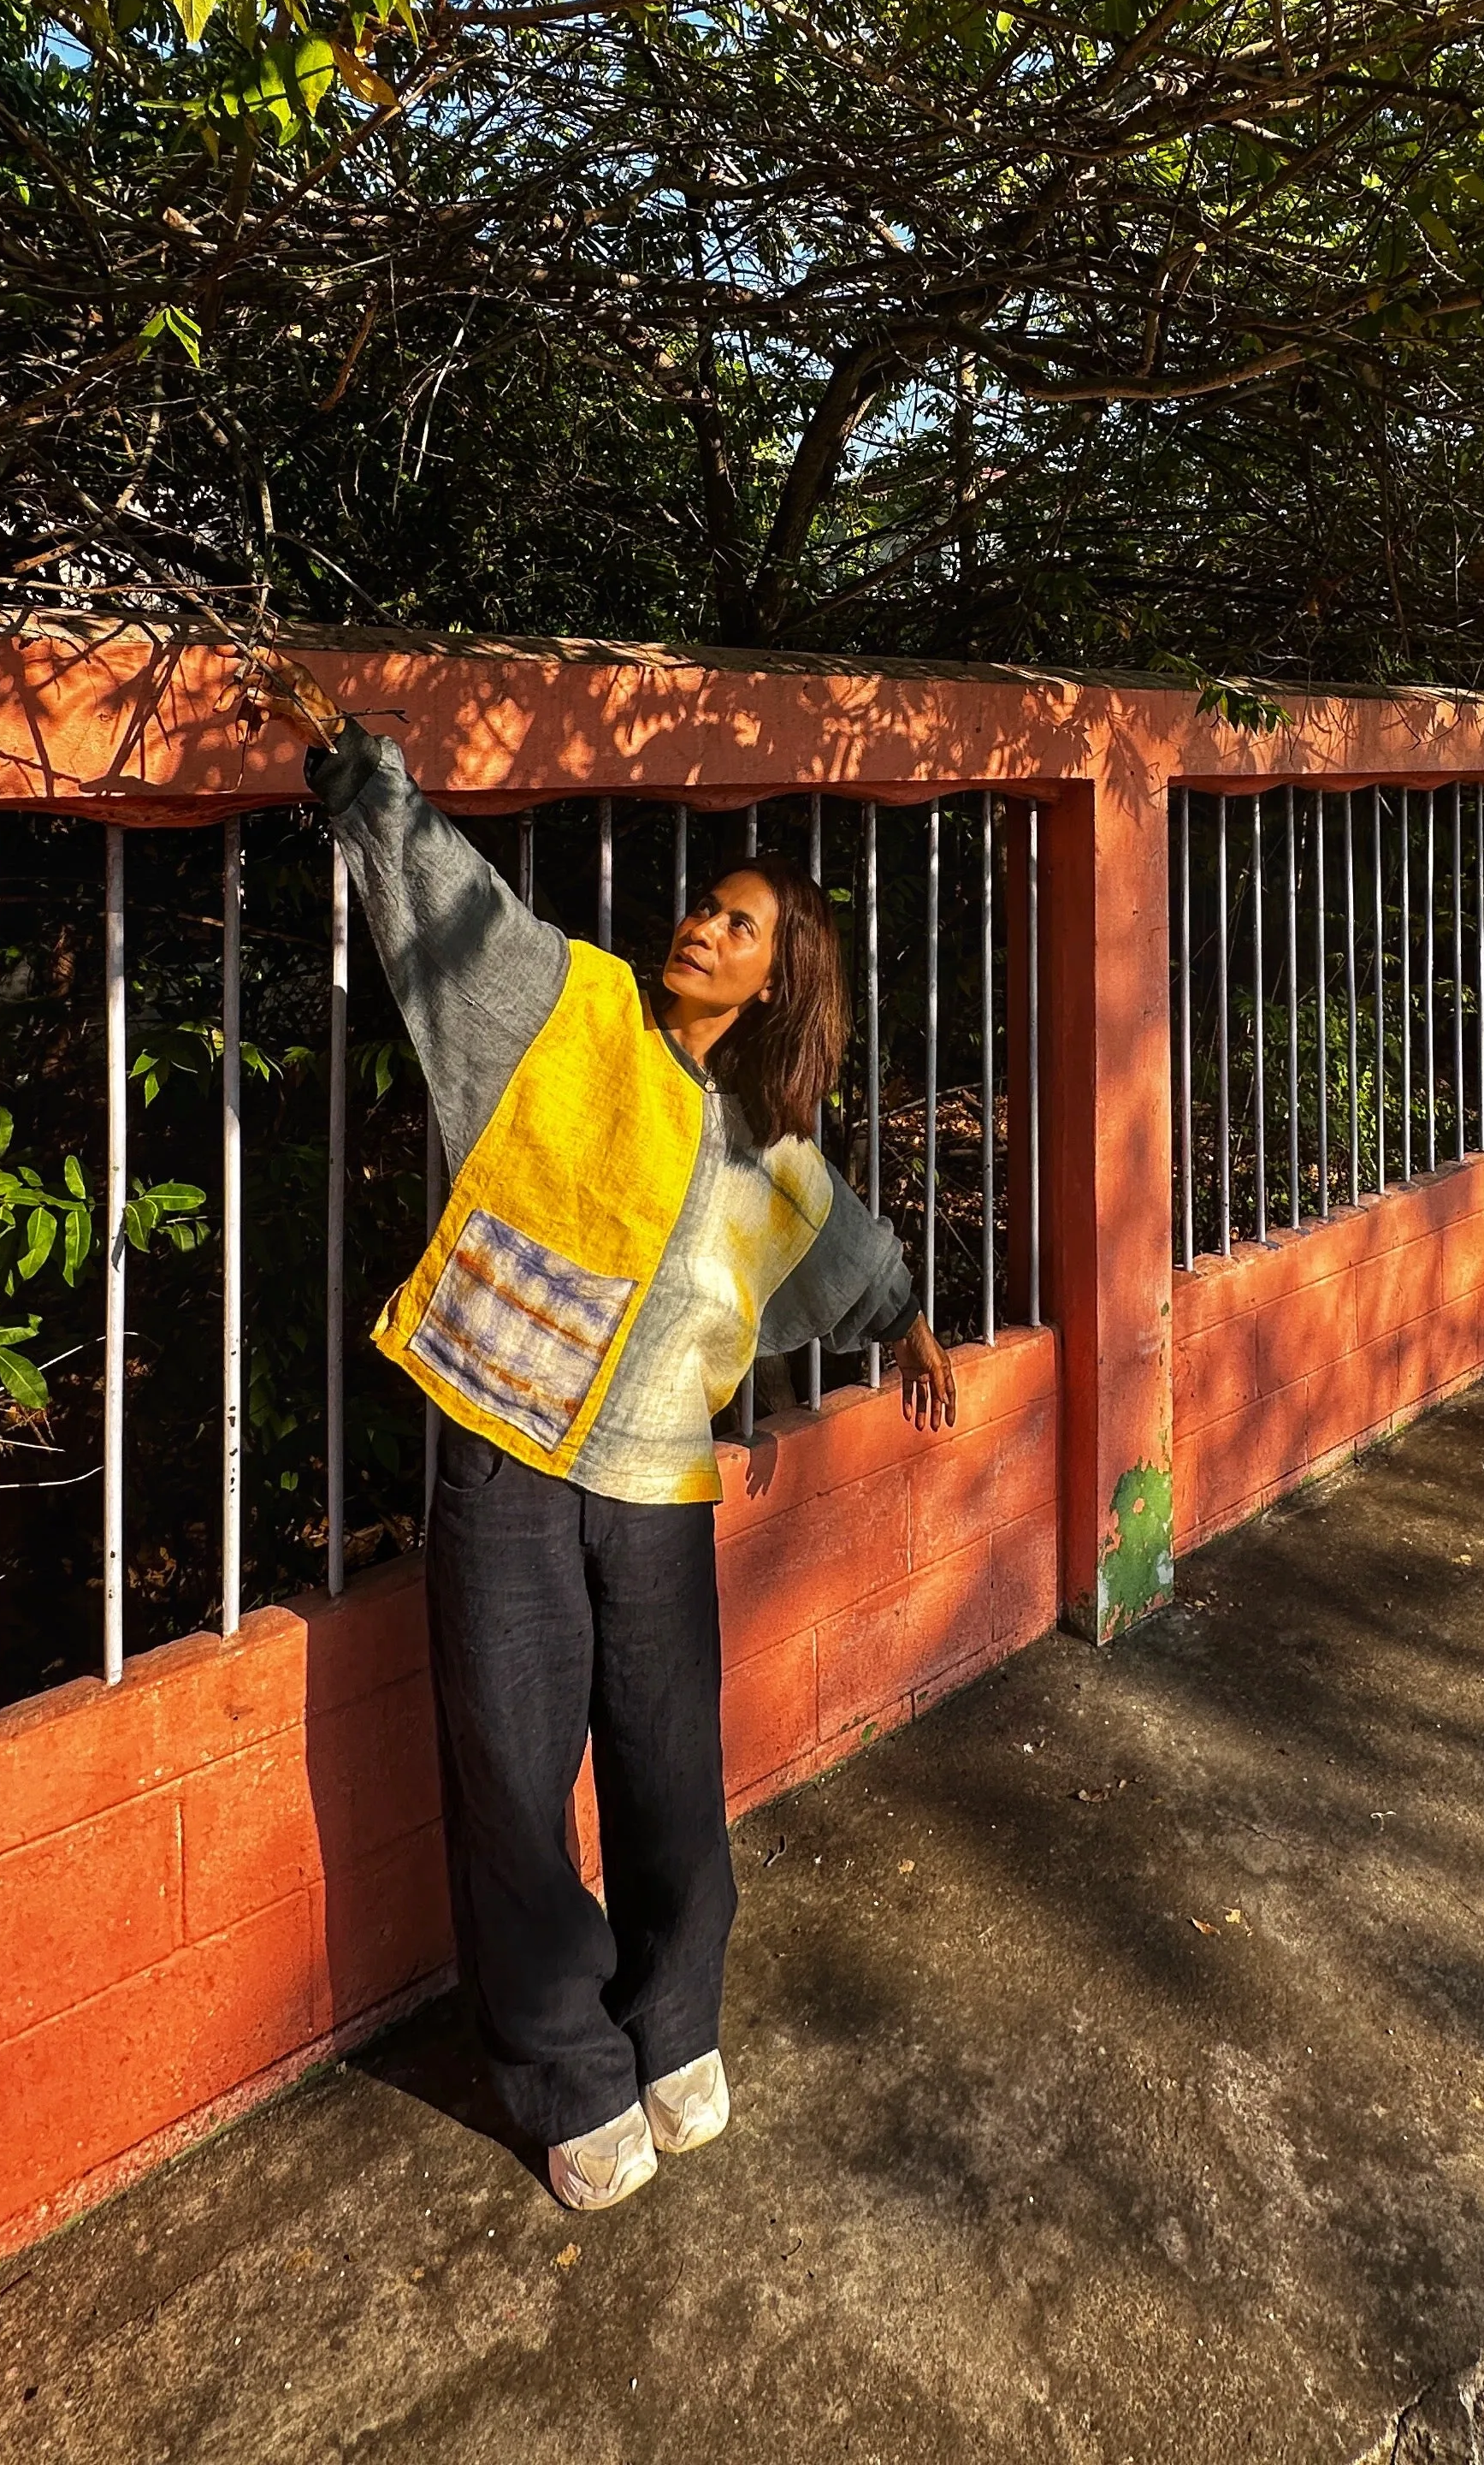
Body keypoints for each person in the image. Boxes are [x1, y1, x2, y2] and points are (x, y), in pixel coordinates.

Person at [249, 656, 958, 2212]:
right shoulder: (564, 1007)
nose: (701, 922)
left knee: (665, 1765)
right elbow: (449, 903)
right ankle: (564, 2066)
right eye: (705, 903)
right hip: (503, 1444)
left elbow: (842, 1251)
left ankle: (674, 2019)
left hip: (650, 1487)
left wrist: (902, 1315)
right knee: (510, 1769)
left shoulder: (766, 1148)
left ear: (778, 980)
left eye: (741, 921)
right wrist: (360, 776)